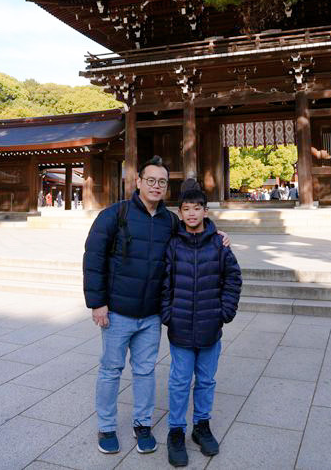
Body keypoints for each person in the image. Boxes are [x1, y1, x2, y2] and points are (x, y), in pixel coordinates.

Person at [82, 156, 231, 456]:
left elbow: (195, 231)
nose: (156, 186)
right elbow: (93, 258)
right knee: (111, 370)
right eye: (150, 180)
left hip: (150, 315)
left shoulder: (169, 221)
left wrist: (217, 234)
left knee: (145, 371)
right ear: (137, 182)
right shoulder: (115, 214)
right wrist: (97, 303)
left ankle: (142, 424)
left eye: (162, 182)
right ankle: (107, 426)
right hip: (117, 312)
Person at [161, 188, 242, 467]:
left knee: (206, 380)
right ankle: (175, 431)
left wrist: (225, 312)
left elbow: (233, 279)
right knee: (180, 381)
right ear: (180, 213)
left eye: (197, 208)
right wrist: (167, 313)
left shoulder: (219, 245)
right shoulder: (173, 244)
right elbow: (165, 282)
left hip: (210, 325)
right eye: (186, 208)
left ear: (205, 211)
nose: (192, 213)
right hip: (180, 325)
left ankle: (201, 426)